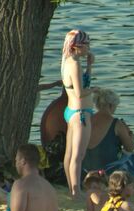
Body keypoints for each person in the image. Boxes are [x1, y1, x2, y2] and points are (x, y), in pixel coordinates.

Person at [81, 88, 134, 176]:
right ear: (110, 105)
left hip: (85, 169)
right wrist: (131, 137)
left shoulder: (88, 119)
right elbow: (130, 148)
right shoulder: (115, 123)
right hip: (108, 171)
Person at [59, 30, 94, 197]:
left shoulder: (68, 61)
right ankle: (76, 191)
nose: (89, 47)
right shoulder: (75, 65)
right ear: (76, 46)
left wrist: (89, 66)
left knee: (70, 154)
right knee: (78, 156)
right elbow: (81, 92)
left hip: (71, 111)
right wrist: (95, 90)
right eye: (86, 44)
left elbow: (79, 84)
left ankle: (71, 189)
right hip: (80, 113)